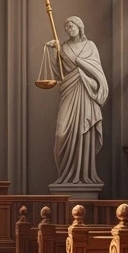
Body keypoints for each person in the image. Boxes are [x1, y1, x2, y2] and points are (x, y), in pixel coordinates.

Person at [46, 16, 108, 186]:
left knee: (85, 130)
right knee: (61, 133)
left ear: (80, 26)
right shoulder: (64, 48)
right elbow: (59, 73)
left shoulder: (90, 46)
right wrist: (55, 51)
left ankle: (84, 176)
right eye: (66, 27)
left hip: (87, 91)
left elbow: (97, 70)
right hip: (70, 90)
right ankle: (66, 175)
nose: (69, 29)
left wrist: (84, 69)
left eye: (71, 25)